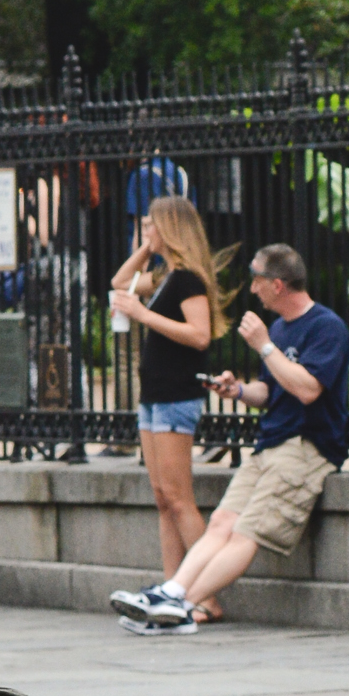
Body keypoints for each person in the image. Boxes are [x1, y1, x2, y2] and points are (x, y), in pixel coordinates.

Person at [108, 244, 349, 635]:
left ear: (277, 284)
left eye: (256, 279)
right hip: (271, 443)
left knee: (245, 532)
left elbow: (308, 390)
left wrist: (265, 346)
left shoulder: (326, 327)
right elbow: (270, 392)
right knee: (221, 521)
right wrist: (237, 391)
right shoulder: (280, 328)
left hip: (307, 448)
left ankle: (182, 607)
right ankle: (172, 593)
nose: (251, 288)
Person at [108, 198, 231, 605]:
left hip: (177, 394)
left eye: (151, 225)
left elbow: (200, 335)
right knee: (163, 498)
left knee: (179, 499)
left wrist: (143, 316)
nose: (145, 231)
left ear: (171, 228)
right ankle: (171, 588)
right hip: (154, 394)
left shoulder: (188, 280)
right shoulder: (164, 276)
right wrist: (146, 248)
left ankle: (205, 596)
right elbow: (119, 281)